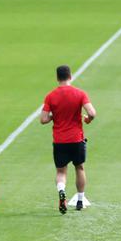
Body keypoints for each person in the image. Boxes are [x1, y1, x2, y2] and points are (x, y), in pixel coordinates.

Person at [41, 65, 96, 213]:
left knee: (61, 172)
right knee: (79, 167)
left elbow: (44, 119)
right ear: (70, 76)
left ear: (57, 77)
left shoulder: (51, 96)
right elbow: (92, 112)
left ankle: (61, 190)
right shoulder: (80, 93)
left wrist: (55, 115)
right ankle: (80, 199)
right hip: (76, 139)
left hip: (60, 140)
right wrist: (88, 119)